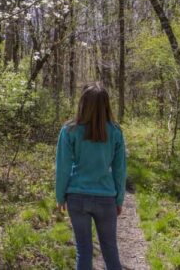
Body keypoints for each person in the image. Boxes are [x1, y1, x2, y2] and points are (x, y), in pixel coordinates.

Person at [55, 82, 126, 270]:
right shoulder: (116, 131)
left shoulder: (69, 130)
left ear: (83, 103)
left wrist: (60, 196)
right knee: (110, 250)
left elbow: (63, 167)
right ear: (106, 105)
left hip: (77, 198)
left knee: (83, 250)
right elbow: (120, 170)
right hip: (106, 198)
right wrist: (119, 199)